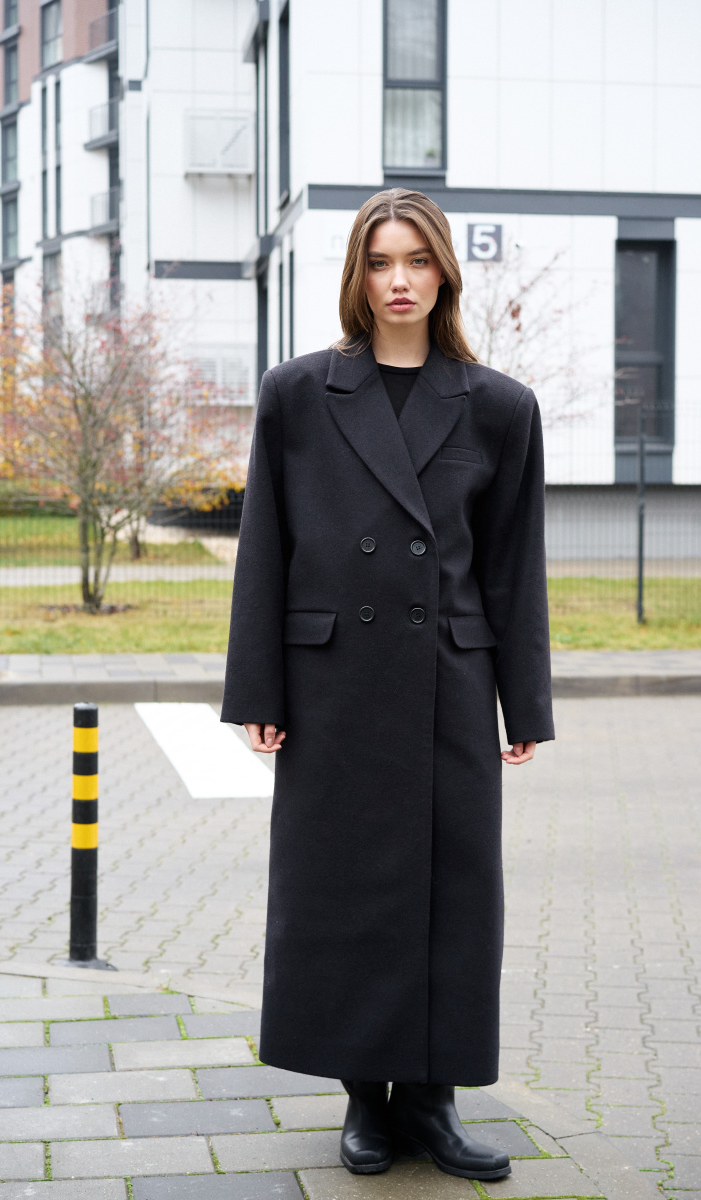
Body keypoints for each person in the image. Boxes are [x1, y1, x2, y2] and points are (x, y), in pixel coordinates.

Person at [221, 188, 554, 1182]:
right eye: (379, 262)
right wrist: (258, 692)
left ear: (443, 271)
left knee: (454, 895)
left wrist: (523, 702)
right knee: (345, 893)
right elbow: (264, 548)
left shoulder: (499, 406)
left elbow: (513, 567)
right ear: (356, 278)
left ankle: (435, 1105)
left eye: (416, 260)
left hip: (449, 684)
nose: (398, 280)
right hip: (334, 689)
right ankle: (364, 1100)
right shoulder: (297, 394)